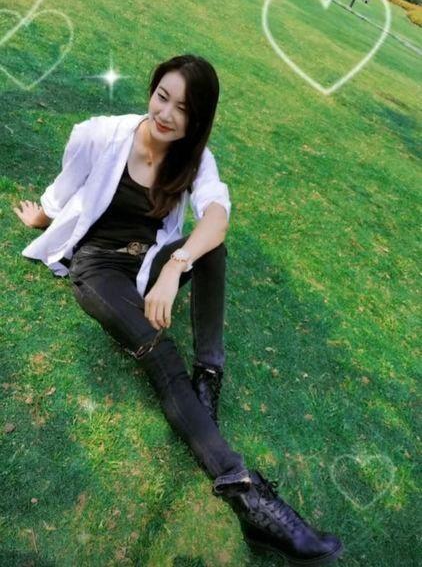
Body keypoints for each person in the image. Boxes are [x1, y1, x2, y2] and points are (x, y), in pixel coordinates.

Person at [13, 54, 344, 565]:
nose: (166, 114)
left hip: (148, 265)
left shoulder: (194, 159)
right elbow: (63, 192)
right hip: (99, 271)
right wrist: (44, 219)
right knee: (162, 356)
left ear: (198, 118)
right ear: (151, 91)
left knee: (213, 247)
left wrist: (174, 266)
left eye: (183, 108)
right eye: (162, 97)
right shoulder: (100, 134)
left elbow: (217, 217)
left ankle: (208, 374)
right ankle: (247, 496)